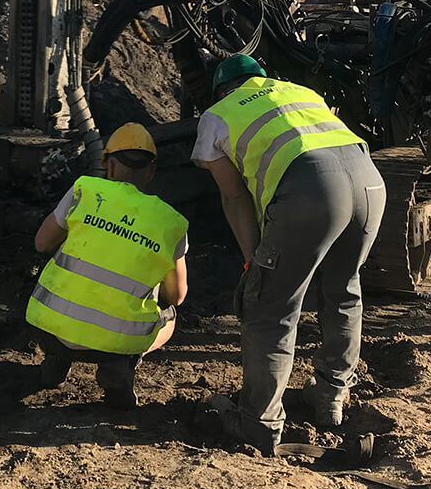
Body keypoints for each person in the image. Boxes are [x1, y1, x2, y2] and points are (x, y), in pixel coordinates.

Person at [192, 54, 387, 452]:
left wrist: (253, 262)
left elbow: (234, 197)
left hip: (313, 188)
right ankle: (330, 397)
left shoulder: (217, 114)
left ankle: (259, 423)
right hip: (369, 182)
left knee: (269, 305)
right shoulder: (300, 92)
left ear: (222, 90)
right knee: (344, 290)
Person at [26, 122, 189, 407]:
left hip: (48, 327)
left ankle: (56, 359)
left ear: (109, 166)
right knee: (170, 315)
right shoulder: (171, 222)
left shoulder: (84, 190)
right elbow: (176, 295)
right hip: (117, 341)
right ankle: (121, 363)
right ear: (151, 172)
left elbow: (41, 243)